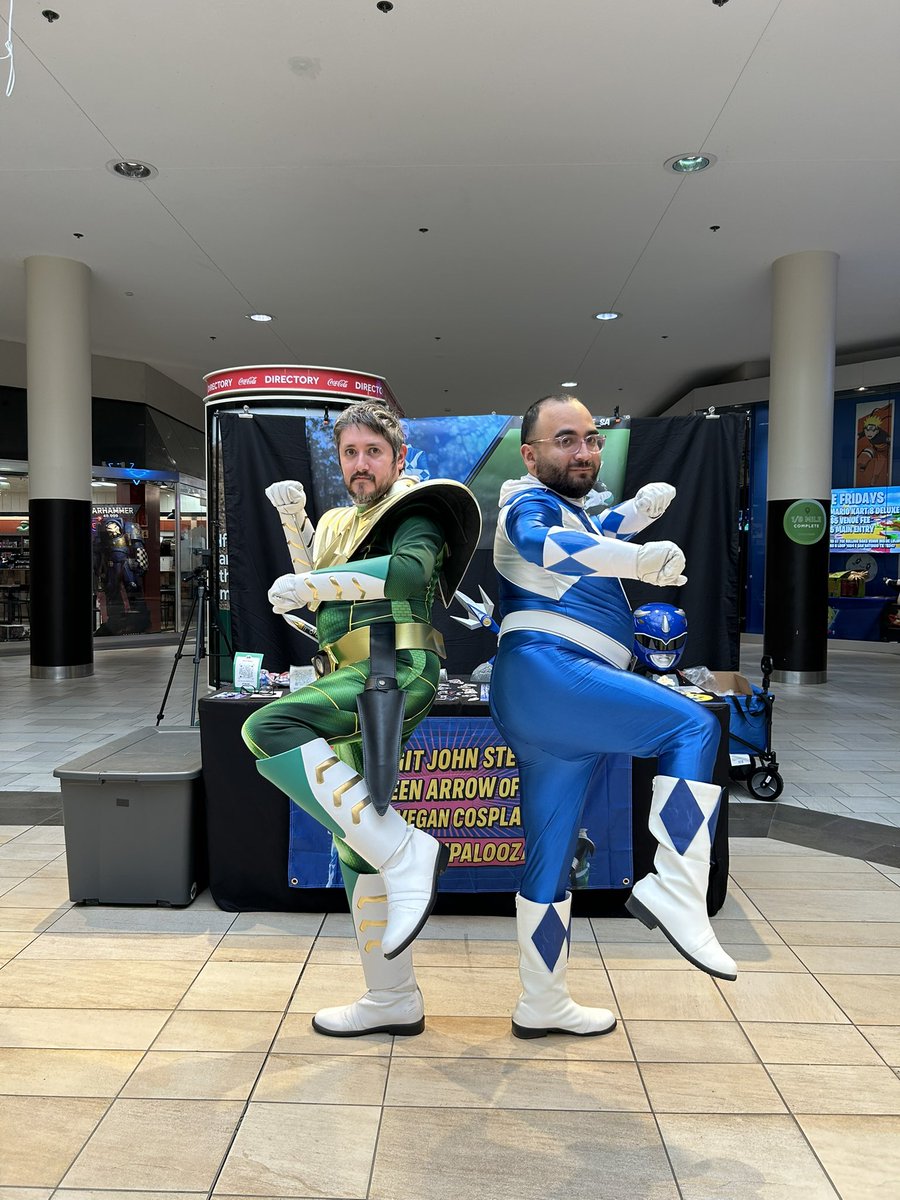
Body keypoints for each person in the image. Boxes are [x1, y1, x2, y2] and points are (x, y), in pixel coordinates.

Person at [490, 394, 735, 1041]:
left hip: (547, 701)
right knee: (693, 726)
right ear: (530, 454)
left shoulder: (573, 511)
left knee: (547, 861)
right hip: (551, 676)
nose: (585, 452)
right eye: (566, 440)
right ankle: (678, 886)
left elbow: (591, 538)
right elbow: (553, 549)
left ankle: (541, 1000)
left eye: (593, 439)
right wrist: (637, 558)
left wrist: (633, 517)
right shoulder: (525, 502)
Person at [242, 402, 480, 1037]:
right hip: (349, 671)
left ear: (398, 458)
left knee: (268, 728)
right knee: (355, 840)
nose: (360, 464)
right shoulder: (339, 524)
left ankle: (408, 852)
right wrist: (297, 534)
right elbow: (319, 605)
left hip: (393, 667)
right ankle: (391, 997)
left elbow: (405, 576)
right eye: (349, 453)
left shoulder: (417, 509)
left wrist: (314, 588)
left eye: (372, 451)